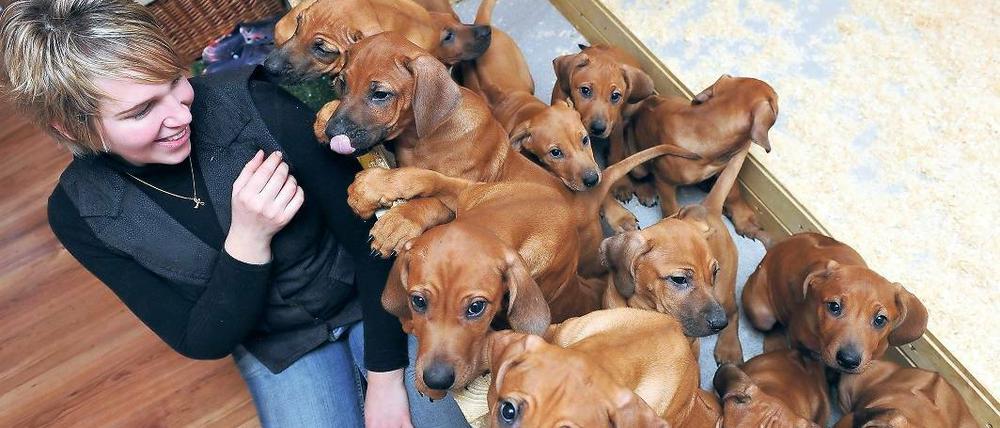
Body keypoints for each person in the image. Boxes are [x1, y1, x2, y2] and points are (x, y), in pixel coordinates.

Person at [0, 1, 467, 427]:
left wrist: (384, 383)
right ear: (72, 127)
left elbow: (374, 246)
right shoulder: (79, 214)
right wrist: (247, 243)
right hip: (281, 347)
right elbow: (201, 339)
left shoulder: (257, 105)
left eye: (174, 82)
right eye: (141, 110)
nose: (180, 115)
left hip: (372, 301)